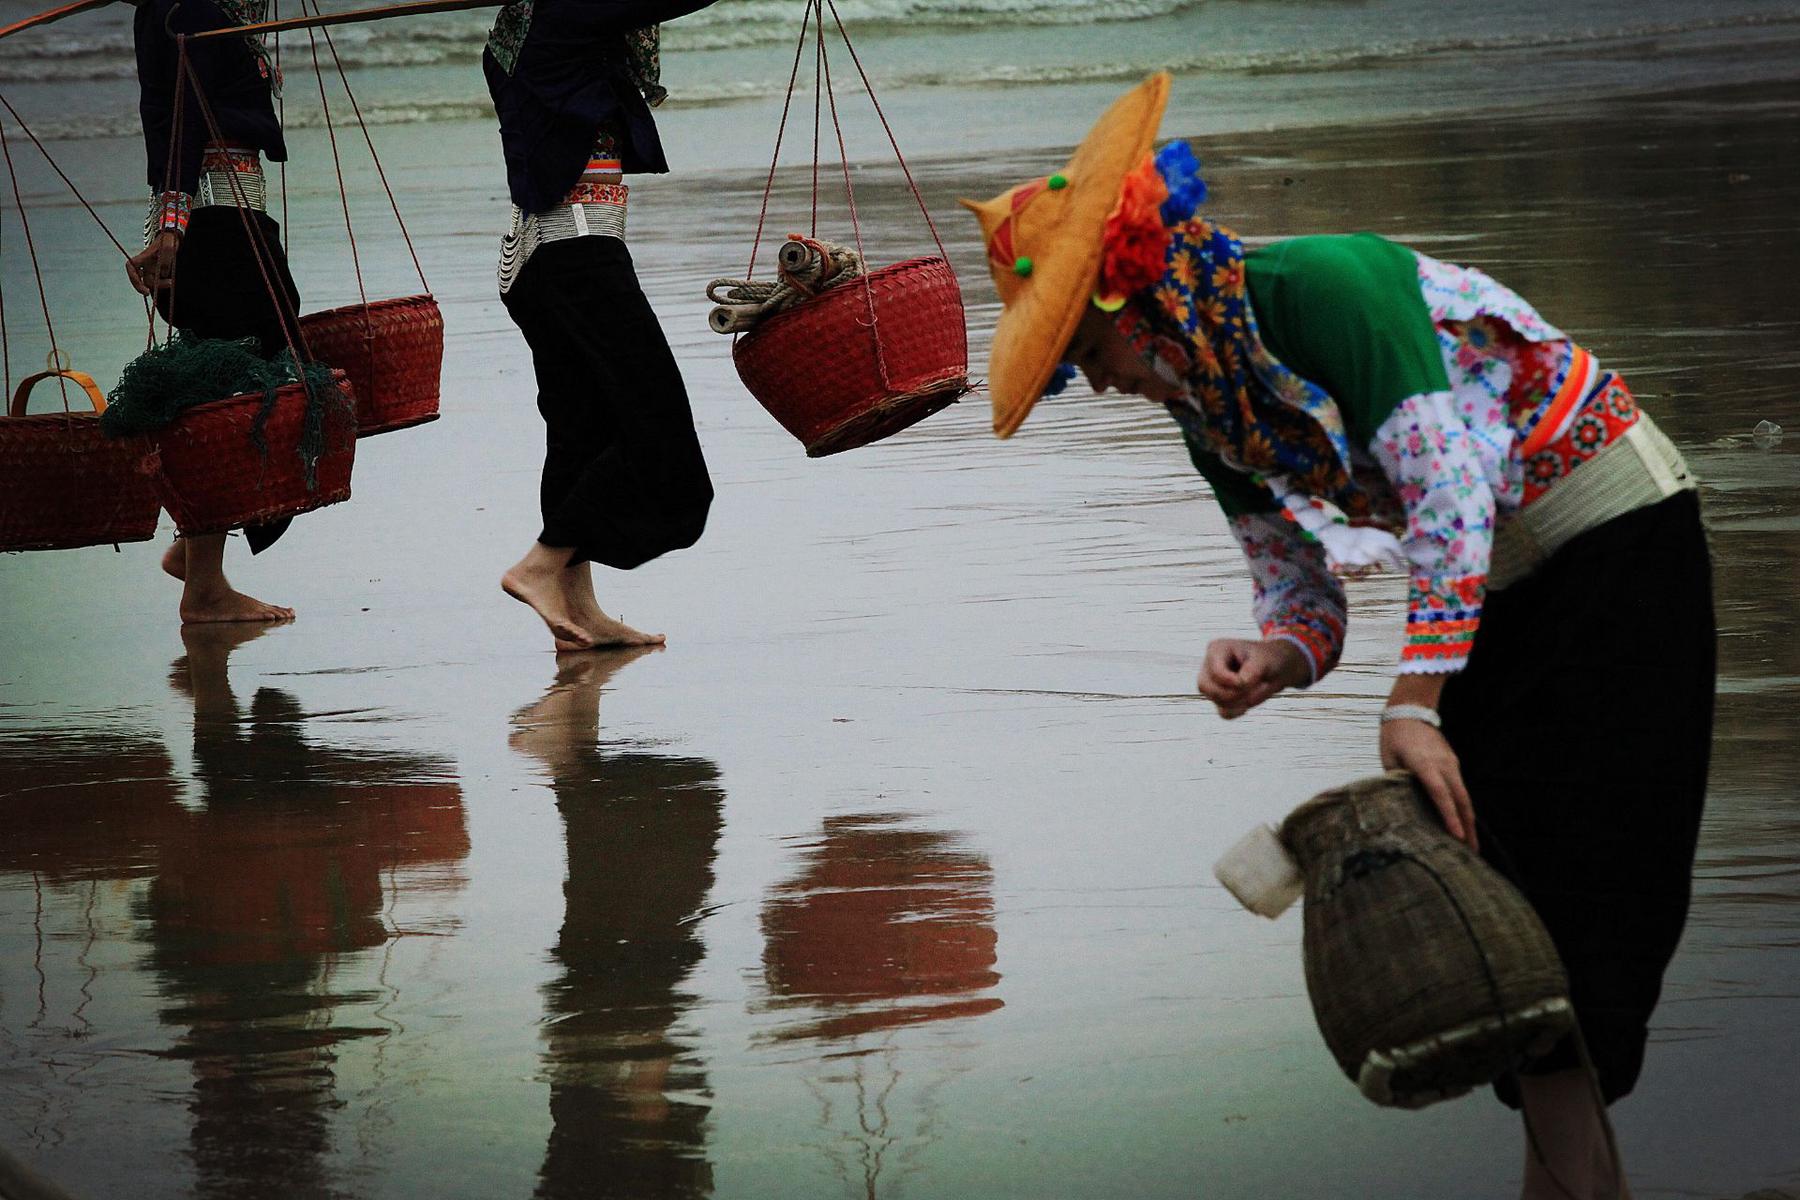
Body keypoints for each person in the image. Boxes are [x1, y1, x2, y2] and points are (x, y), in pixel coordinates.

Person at [962, 74, 1713, 1199]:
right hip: (1490, 593)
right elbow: (1302, 593)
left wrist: (1414, 705)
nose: (1098, 384)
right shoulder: (1207, 409)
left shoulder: (1327, 285)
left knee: (1589, 898)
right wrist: (1274, 656)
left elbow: (1451, 499)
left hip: (1614, 537)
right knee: (1516, 908)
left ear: (1137, 304)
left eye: (1083, 357)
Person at [484, 1, 720, 652]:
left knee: (580, 436)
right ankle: (541, 563)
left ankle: (577, 610)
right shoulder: (569, 14)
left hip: (545, 263)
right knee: (661, 436)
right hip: (578, 258)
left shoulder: (533, 31)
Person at [128, 0, 301, 624]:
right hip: (215, 226)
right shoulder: (187, 8)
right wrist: (172, 230)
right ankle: (203, 579)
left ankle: (199, 557)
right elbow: (178, 120)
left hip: (228, 220)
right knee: (252, 381)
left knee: (226, 385)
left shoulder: (195, 7)